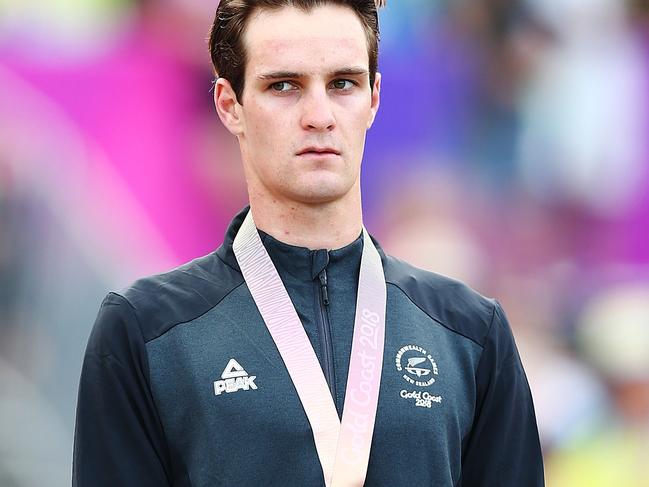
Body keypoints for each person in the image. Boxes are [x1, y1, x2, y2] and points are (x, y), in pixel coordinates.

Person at [73, 1, 545, 485]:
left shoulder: (469, 333)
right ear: (229, 105)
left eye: (343, 84)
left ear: (374, 99)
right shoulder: (147, 331)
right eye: (284, 86)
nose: (319, 116)